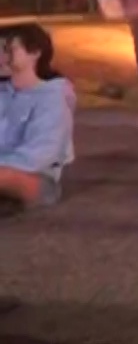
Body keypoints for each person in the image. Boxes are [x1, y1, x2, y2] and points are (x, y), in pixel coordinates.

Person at [0, 25, 76, 207]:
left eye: (8, 50)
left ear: (35, 53)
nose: (1, 57)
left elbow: (40, 154)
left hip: (34, 178)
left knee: (6, 176)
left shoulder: (52, 97)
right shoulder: (3, 93)